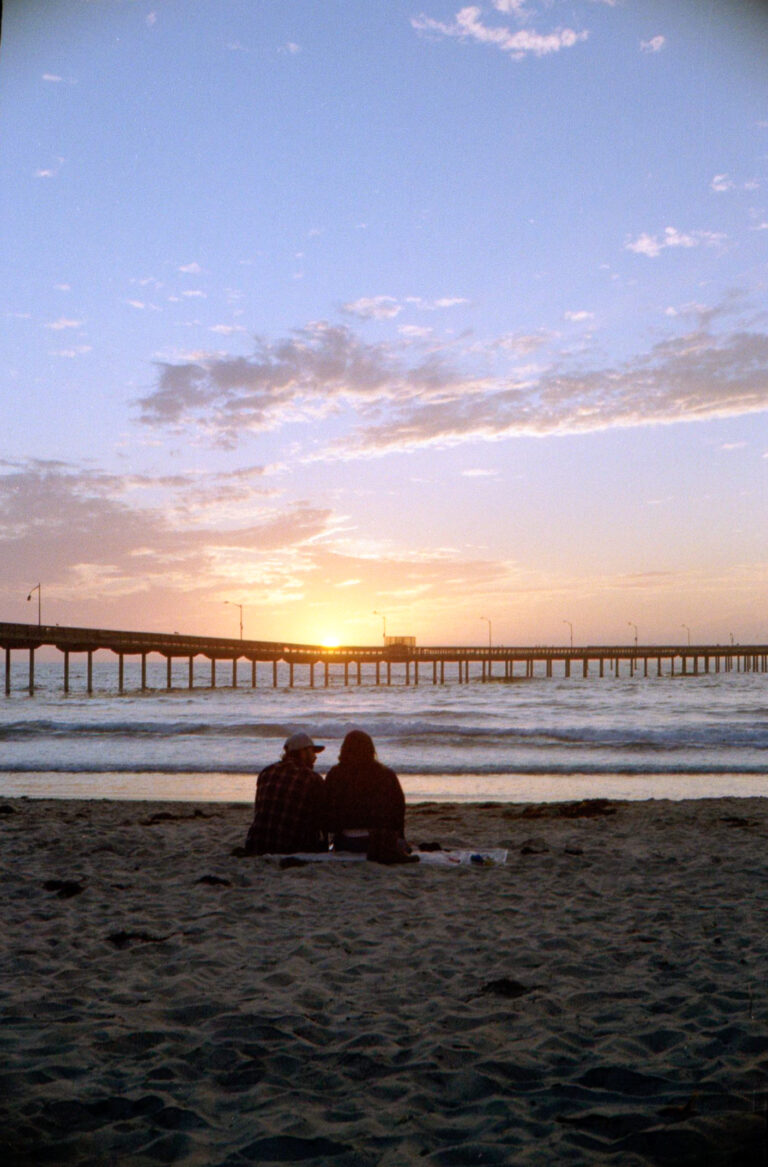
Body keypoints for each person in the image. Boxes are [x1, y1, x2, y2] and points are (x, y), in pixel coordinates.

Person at [324, 729, 410, 857]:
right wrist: (399, 837)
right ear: (371, 750)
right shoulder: (387, 774)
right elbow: (398, 809)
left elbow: (326, 810)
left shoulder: (335, 774)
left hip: (347, 842)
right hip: (381, 841)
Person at [244, 731, 327, 855]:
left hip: (256, 844)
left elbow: (259, 809)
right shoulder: (312, 778)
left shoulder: (266, 772)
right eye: (312, 752)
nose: (315, 757)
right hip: (292, 848)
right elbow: (321, 818)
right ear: (302, 752)